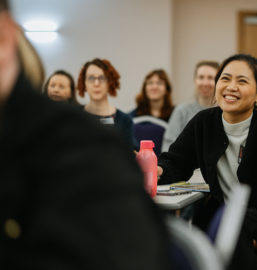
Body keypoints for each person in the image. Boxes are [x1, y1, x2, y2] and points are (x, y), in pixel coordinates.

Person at [0, 1, 171, 268]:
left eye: (100, 78)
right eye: (90, 79)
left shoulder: (87, 144)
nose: (95, 84)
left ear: (5, 36)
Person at [158, 54, 257, 270]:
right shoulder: (204, 123)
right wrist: (159, 170)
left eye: (242, 81)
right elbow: (177, 161)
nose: (231, 87)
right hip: (224, 225)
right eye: (225, 79)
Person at [77, 58, 136, 149]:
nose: (96, 83)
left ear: (110, 82)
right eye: (91, 78)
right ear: (84, 83)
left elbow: (131, 156)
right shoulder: (74, 116)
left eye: (102, 78)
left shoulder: (124, 120)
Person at [161, 60, 219, 152]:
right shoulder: (181, 111)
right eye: (201, 77)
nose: (205, 82)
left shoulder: (226, 112)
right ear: (195, 80)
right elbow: (168, 147)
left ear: (219, 81)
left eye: (210, 78)